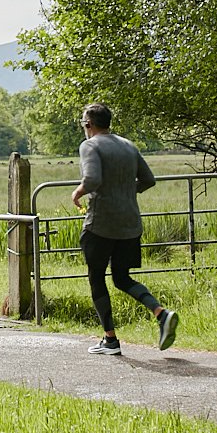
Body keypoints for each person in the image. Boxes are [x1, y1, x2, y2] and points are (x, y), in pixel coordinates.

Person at [71, 102, 178, 356]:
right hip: (130, 224)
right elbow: (148, 180)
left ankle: (110, 340)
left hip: (101, 224)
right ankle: (161, 313)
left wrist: (77, 192)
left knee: (96, 277)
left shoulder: (89, 145)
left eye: (83, 124)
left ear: (88, 125)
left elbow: (93, 180)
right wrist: (127, 192)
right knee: (122, 278)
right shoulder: (128, 145)